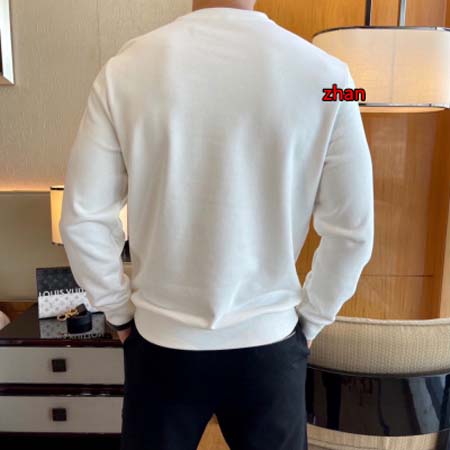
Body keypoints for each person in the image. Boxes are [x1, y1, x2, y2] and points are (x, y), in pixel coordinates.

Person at [59, 0, 375, 448]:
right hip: (271, 344)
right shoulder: (332, 81)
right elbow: (353, 231)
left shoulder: (123, 72)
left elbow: (83, 219)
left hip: (161, 345)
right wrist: (310, 321)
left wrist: (118, 313)